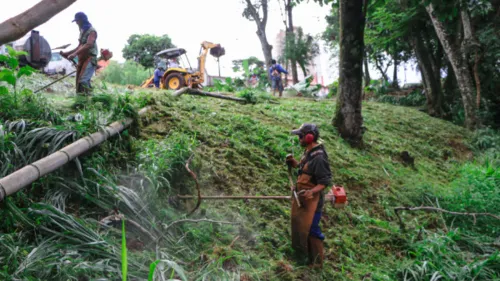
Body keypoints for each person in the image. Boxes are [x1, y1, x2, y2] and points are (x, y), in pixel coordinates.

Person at [286, 123, 332, 268]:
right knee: (300, 224)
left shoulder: (319, 157)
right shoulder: (308, 151)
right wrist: (294, 163)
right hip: (303, 198)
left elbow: (324, 182)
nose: (299, 139)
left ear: (309, 137)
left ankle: (317, 262)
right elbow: (305, 168)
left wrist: (311, 191)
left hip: (313, 200)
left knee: (312, 229)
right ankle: (302, 255)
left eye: (301, 136)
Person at [60, 12, 98, 95]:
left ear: (82, 20)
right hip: (82, 59)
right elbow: (79, 47)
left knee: (83, 80)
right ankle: (80, 101)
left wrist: (74, 54)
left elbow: (89, 44)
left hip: (90, 59)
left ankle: (89, 100)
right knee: (78, 81)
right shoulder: (82, 32)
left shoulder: (92, 31)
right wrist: (67, 53)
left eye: (77, 21)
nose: (76, 23)